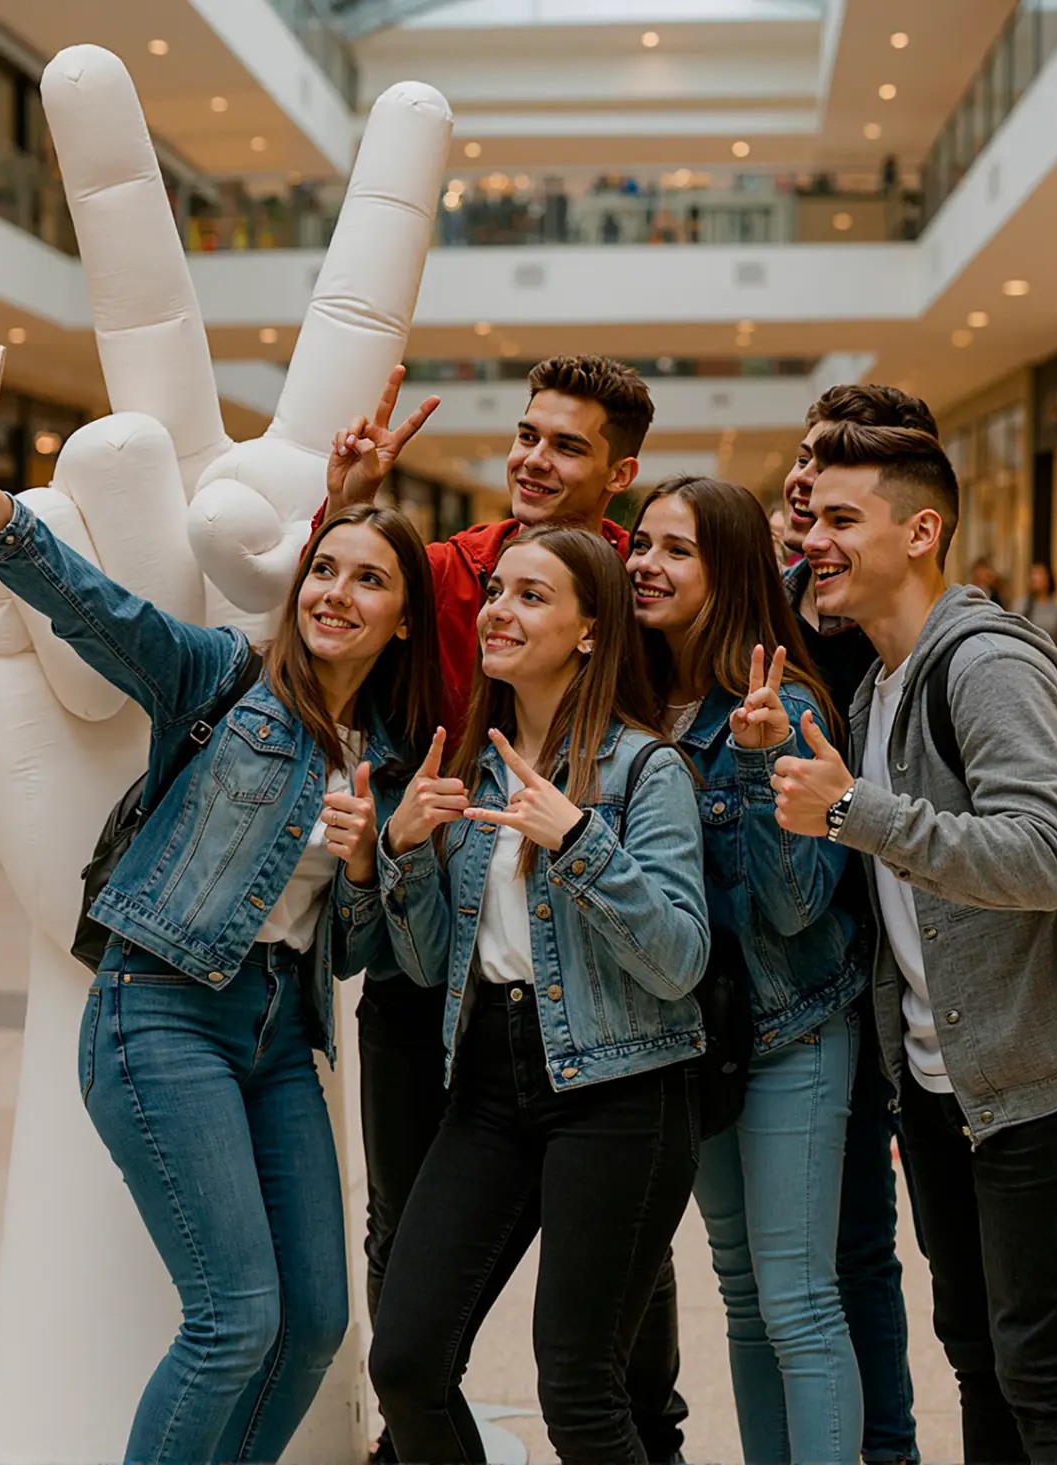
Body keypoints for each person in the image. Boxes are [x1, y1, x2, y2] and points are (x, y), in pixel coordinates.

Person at [0, 363, 448, 1465]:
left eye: (369, 582)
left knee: (310, 1325)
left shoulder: (390, 770)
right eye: (325, 570)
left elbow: (352, 954)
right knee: (234, 1317)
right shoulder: (220, 680)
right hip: (157, 1013)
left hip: (275, 1035)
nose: (338, 593)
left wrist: (366, 868)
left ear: (404, 622)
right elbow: (86, 602)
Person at [325, 355, 687, 1457]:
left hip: (614, 1060)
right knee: (408, 1341)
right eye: (527, 434)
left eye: (566, 444)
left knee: (591, 1377)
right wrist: (393, 855)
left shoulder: (641, 745)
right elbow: (333, 607)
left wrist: (571, 836)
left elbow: (675, 950)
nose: (534, 458)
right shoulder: (468, 744)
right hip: (469, 1040)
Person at [773, 423, 1057, 1461]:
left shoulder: (984, 664)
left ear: (920, 531)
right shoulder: (877, 687)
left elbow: (1038, 857)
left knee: (1046, 1365)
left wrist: (852, 809)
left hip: (1051, 1064)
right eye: (812, 519)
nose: (816, 539)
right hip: (950, 1082)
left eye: (843, 520)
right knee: (980, 1353)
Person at [628, 477, 864, 1463]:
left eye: (675, 549)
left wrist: (765, 770)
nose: (645, 562)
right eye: (640, 544)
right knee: (739, 1286)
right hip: (695, 1037)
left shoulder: (784, 704)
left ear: (726, 573)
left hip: (792, 1024)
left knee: (798, 1297)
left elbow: (796, 905)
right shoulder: (630, 705)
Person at [778, 380, 937, 1465]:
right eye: (803, 472)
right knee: (832, 1252)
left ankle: (886, 1451)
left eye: (837, 493)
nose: (806, 491)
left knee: (857, 1251)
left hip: (885, 977)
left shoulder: (910, 636)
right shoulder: (790, 604)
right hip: (822, 972)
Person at [1017, 561, 1057, 656]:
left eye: (1039, 574)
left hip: (1049, 658)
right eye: (1032, 574)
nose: (1035, 577)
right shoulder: (1020, 605)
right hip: (1024, 656)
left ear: (1048, 579)